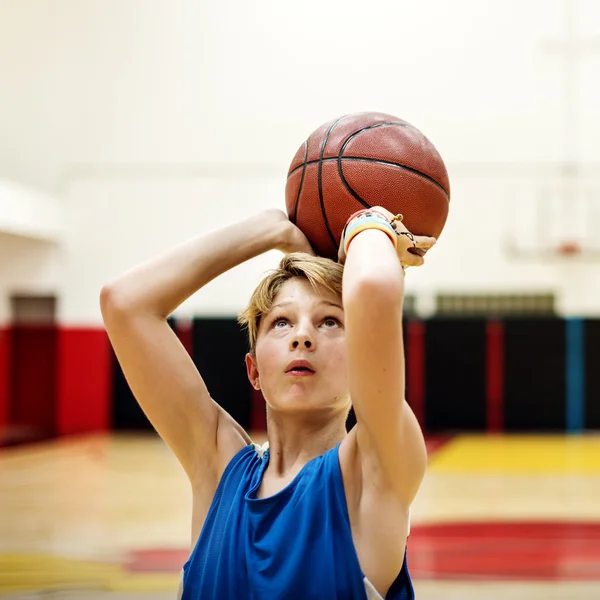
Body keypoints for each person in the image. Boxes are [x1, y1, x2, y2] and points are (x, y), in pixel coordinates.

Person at [100, 206, 435, 599]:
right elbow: (123, 302)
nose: (302, 337)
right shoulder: (219, 468)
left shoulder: (373, 471)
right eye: (281, 322)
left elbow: (374, 290)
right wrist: (274, 229)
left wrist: (367, 224)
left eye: (330, 321)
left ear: (359, 362)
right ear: (254, 369)